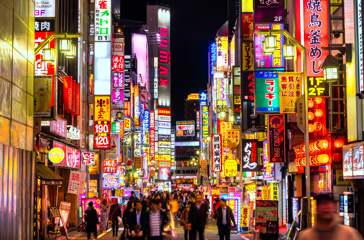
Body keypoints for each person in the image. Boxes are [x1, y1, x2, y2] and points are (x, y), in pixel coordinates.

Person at [298, 193, 363, 240]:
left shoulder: (349, 234)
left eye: (328, 203)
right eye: (323, 204)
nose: (326, 207)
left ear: (334, 207)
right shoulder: (306, 236)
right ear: (317, 208)